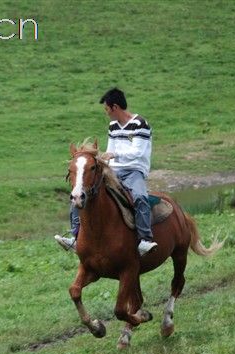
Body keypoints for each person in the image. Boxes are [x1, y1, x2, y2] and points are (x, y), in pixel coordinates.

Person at [55, 87, 158, 256]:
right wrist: (101, 159)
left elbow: (137, 153)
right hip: (115, 170)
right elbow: (110, 150)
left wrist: (114, 154)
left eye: (107, 108)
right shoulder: (113, 126)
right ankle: (75, 235)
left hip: (134, 171)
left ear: (115, 107)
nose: (106, 112)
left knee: (140, 197)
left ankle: (145, 239)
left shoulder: (140, 124)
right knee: (82, 192)